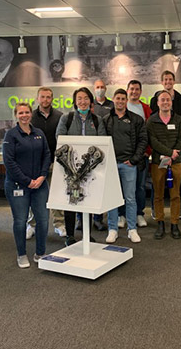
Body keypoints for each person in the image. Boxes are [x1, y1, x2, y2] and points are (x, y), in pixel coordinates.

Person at [56, 87, 107, 246]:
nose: (83, 101)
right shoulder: (67, 118)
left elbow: (103, 140)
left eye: (86, 98)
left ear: (90, 101)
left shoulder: (97, 120)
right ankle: (70, 235)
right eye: (79, 98)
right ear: (75, 101)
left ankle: (86, 233)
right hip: (71, 169)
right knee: (72, 200)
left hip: (90, 169)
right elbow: (59, 137)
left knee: (88, 200)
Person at [3, 103, 51, 268]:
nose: (24, 115)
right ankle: (21, 254)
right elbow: (9, 162)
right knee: (20, 220)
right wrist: (27, 181)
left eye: (27, 112)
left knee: (43, 220)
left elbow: (47, 155)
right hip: (18, 185)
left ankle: (40, 252)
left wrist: (42, 176)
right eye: (21, 113)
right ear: (16, 115)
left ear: (31, 114)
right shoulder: (11, 135)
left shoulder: (39, 133)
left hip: (40, 185)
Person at [103, 89, 148, 244]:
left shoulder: (136, 119)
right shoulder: (106, 119)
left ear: (126, 100)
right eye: (118, 98)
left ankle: (132, 229)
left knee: (130, 198)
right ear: (113, 100)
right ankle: (113, 229)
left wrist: (134, 159)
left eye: (123, 99)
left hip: (129, 165)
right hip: (111, 165)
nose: (120, 101)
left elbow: (143, 140)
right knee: (112, 199)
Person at [150, 70, 181, 219]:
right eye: (165, 79)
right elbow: (153, 136)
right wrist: (168, 151)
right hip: (159, 157)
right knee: (158, 190)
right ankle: (158, 215)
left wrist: (176, 152)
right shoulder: (153, 107)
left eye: (170, 79)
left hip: (176, 156)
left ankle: (178, 213)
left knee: (177, 189)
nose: (168, 82)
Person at [147, 90, 181, 239]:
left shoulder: (179, 120)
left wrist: (173, 155)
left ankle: (174, 224)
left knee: (175, 194)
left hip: (175, 162)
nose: (165, 102)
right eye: (162, 100)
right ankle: (160, 223)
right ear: (157, 103)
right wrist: (169, 152)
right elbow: (153, 141)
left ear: (171, 102)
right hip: (158, 162)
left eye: (167, 100)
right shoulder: (151, 121)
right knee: (158, 195)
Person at [26, 87, 63, 240]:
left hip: (55, 161)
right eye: (43, 97)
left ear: (52, 99)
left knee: (57, 195)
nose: (45, 100)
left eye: (48, 97)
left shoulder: (60, 116)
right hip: (36, 162)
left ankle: (59, 225)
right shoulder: (31, 117)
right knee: (35, 195)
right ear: (37, 98)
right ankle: (32, 225)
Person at [127, 79, 152, 227]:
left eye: (137, 89)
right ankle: (122, 214)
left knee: (140, 186)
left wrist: (147, 151)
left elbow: (149, 132)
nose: (134, 92)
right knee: (125, 187)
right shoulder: (121, 106)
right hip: (125, 157)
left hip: (142, 155)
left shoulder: (145, 109)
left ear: (140, 92)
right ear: (127, 90)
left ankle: (139, 214)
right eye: (131, 89)